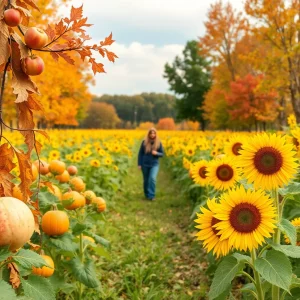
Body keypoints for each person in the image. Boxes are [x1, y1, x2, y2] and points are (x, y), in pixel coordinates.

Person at [138, 128, 164, 201]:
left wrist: (157, 153)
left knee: (152, 178)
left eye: (154, 133)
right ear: (148, 134)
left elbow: (162, 154)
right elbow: (140, 154)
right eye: (151, 133)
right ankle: (146, 194)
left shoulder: (158, 143)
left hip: (154, 164)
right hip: (144, 164)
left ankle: (151, 195)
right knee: (146, 180)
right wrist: (139, 164)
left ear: (156, 134)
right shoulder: (144, 142)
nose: (152, 135)